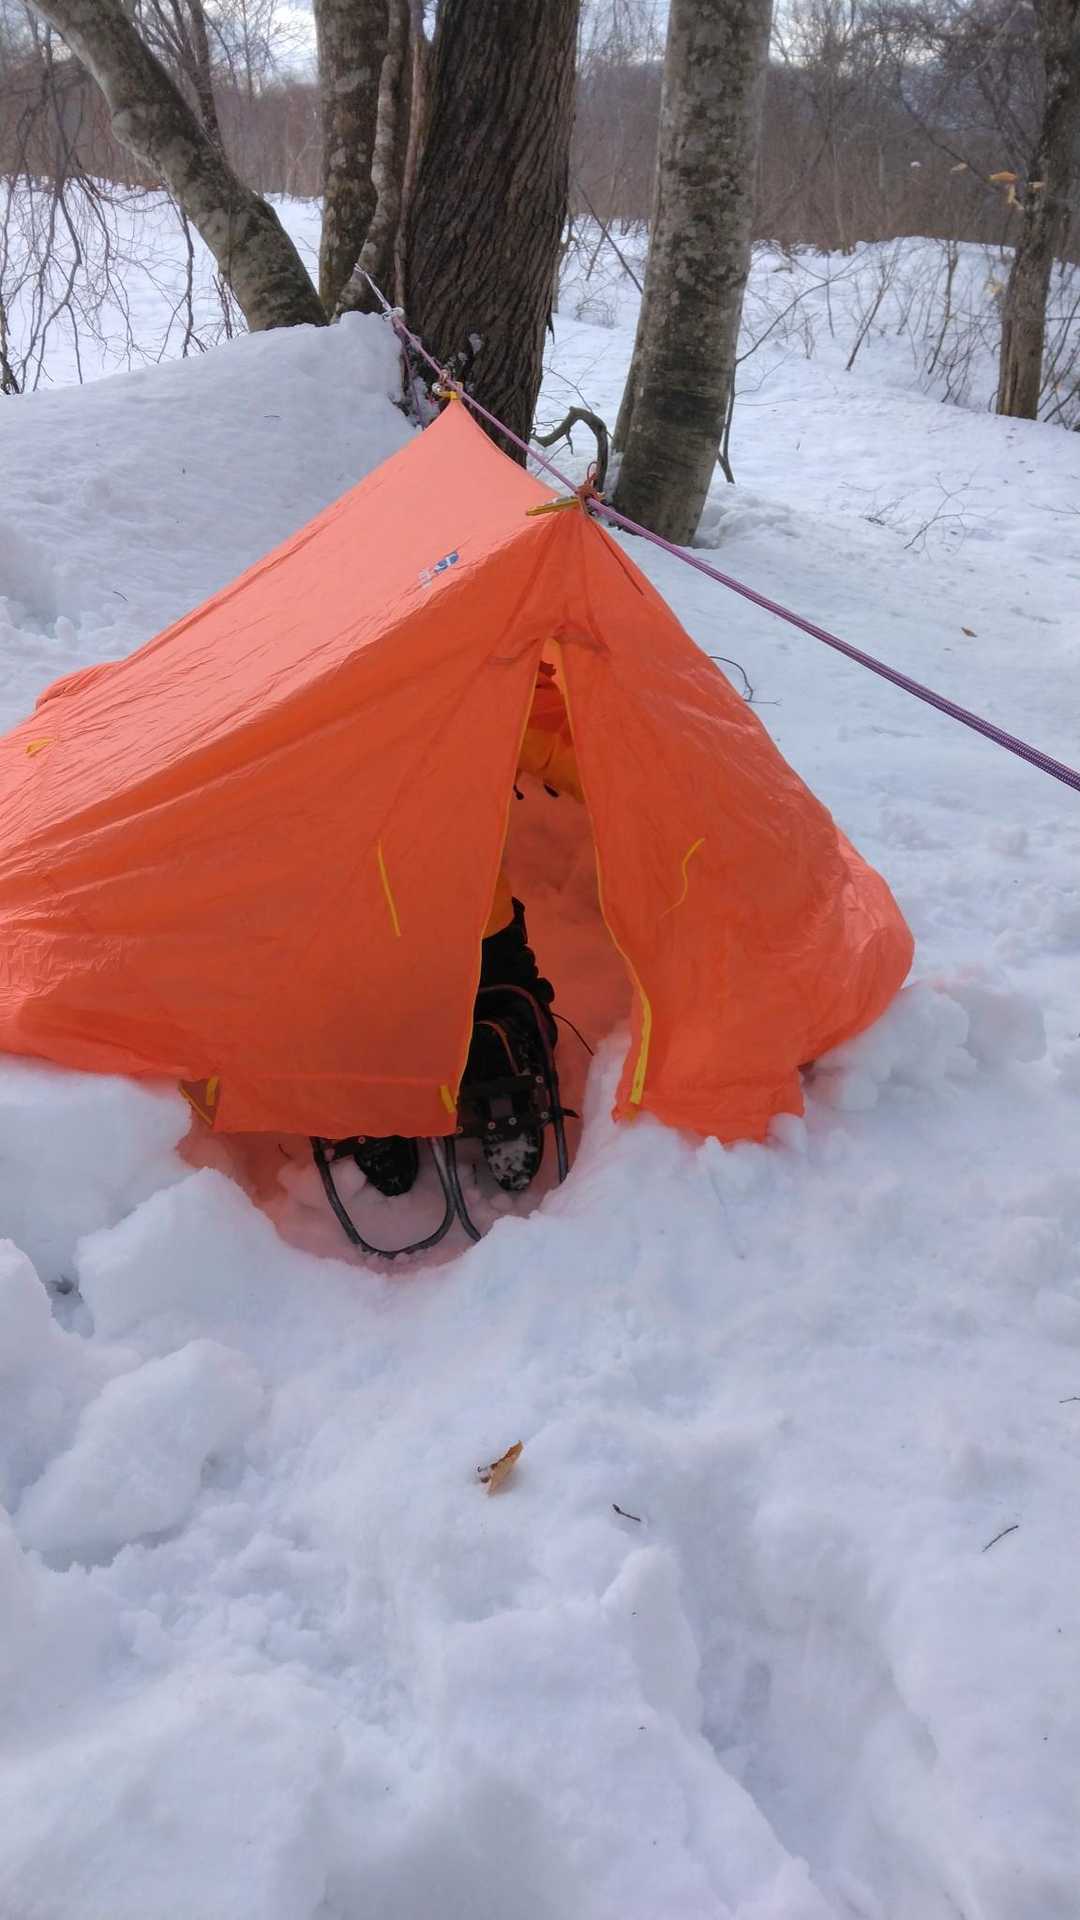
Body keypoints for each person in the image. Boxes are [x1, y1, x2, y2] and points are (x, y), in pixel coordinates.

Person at [353, 663, 581, 1198]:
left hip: (359, 926)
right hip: (473, 915)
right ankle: (500, 1051)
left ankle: (365, 1083)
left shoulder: (316, 690)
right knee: (508, 988)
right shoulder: (481, 682)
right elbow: (559, 749)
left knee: (358, 1004)